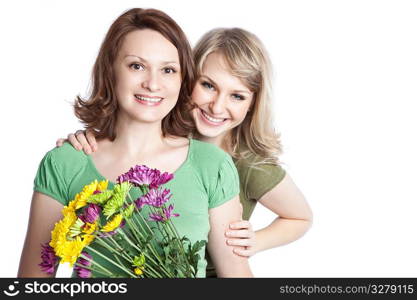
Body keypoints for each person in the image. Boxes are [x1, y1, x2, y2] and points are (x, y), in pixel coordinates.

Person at [59, 27, 313, 277]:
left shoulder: (249, 166)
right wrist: (85, 145)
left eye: (237, 96)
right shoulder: (158, 133)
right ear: (186, 79)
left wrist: (256, 241)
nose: (217, 106)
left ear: (252, 105)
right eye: (208, 85)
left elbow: (300, 217)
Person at [18, 8, 252, 278]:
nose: (153, 84)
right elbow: (33, 282)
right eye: (137, 66)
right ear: (110, 71)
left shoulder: (212, 165)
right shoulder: (65, 162)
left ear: (182, 79)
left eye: (168, 70)